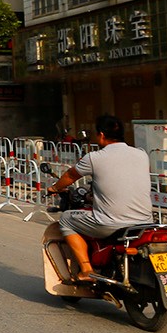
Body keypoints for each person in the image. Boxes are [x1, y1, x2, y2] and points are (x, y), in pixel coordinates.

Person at [45, 114, 152, 283]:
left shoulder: (94, 158)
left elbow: (71, 175)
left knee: (66, 219)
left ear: (101, 135)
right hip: (144, 223)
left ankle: (87, 269)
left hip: (112, 223)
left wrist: (54, 188)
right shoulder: (141, 154)